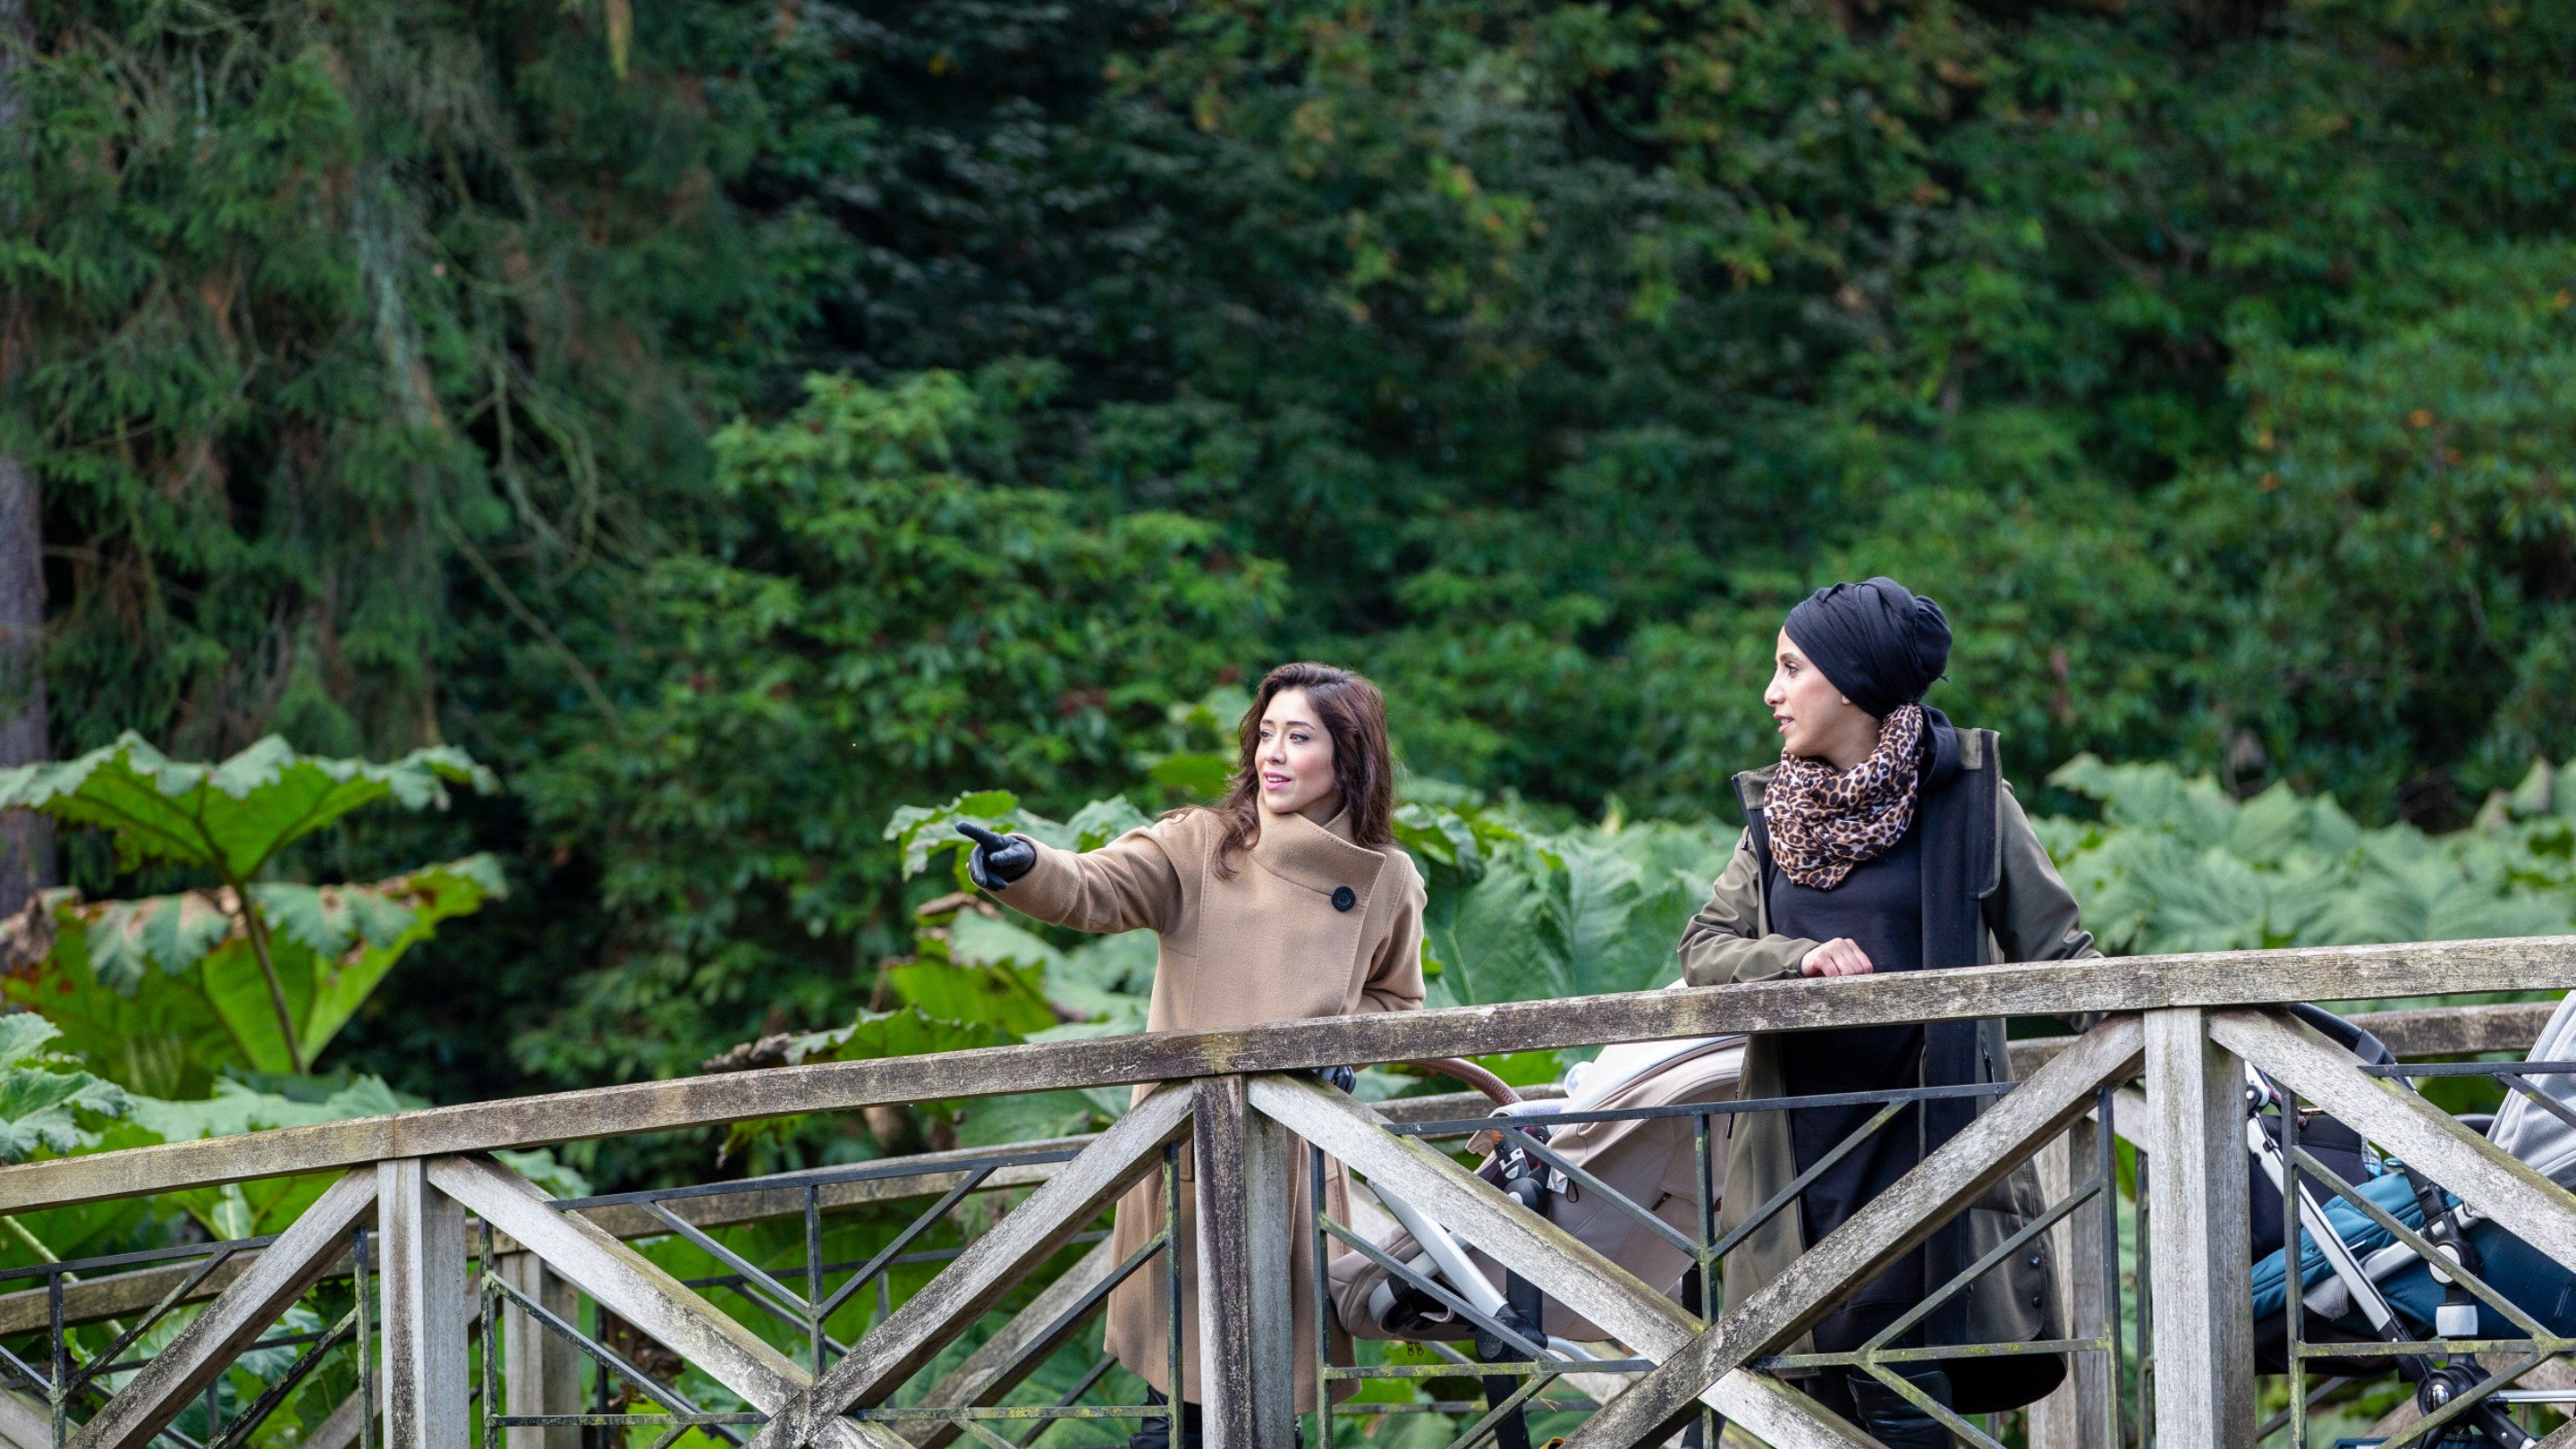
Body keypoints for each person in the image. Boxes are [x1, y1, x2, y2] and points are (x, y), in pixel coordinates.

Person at [955, 662, 1426, 1448]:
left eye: (1298, 737)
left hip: (1297, 1166)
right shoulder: (1204, 844)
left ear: (1349, 755)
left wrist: (1341, 1047)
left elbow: (1397, 1002)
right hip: (1189, 1156)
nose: (1273, 754)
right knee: (1179, 1408)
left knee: (1266, 1413)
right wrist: (1025, 864)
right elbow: (1094, 886)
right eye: (1265, 734)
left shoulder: (1389, 878)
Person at [1676, 578, 2102, 1446]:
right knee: (1817, 1403)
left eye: (1791, 668)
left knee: (1900, 1384)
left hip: (1931, 1153)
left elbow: (2061, 954)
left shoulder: (1970, 800)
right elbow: (1704, 948)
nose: (1771, 693)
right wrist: (1794, 958)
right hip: (1800, 1160)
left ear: (1851, 682)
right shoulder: (1775, 816)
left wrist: (2165, 1046)